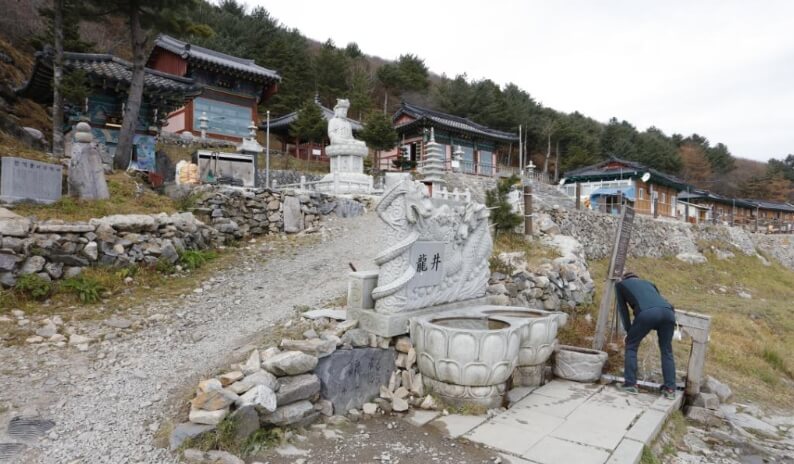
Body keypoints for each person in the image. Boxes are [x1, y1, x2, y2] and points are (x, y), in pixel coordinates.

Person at [615, 272, 676, 398]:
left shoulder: (620, 285)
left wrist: (629, 331)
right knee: (666, 350)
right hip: (669, 313)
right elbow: (658, 300)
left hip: (647, 313)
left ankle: (630, 384)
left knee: (631, 345)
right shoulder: (649, 283)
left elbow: (623, 310)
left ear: (625, 278)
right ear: (638, 278)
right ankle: (670, 389)